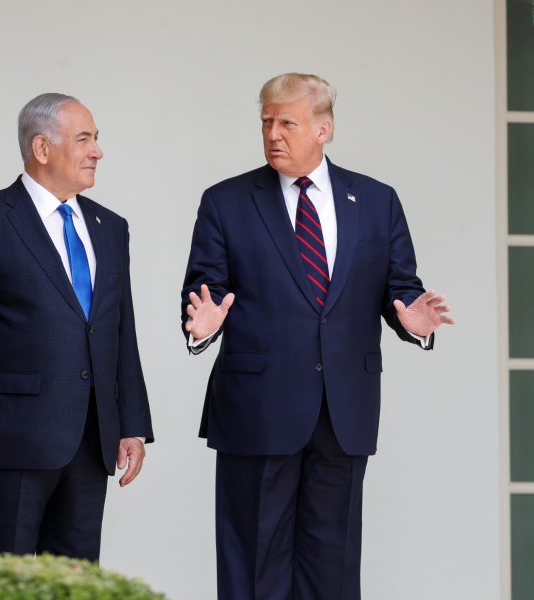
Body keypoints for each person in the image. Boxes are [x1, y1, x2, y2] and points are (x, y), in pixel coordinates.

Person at [180, 73, 455, 599]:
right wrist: (202, 326)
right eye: (266, 122)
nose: (273, 134)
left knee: (333, 568)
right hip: (257, 410)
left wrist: (412, 323)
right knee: (254, 568)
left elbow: (401, 290)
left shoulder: (376, 201)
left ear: (323, 128)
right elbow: (203, 293)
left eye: (288, 122)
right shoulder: (226, 201)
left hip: (343, 410)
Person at [0, 92, 154, 561]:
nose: (97, 151)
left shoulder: (110, 226)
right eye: (84, 139)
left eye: (96, 139)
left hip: (91, 441)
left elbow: (120, 331)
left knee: (77, 583)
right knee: (4, 586)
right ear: (42, 149)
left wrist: (132, 424)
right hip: (8, 442)